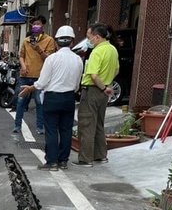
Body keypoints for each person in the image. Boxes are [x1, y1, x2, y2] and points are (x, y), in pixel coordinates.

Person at [19, 26, 83, 171]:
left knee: (52, 130)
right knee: (66, 130)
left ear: (56, 42)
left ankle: (52, 162)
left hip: (52, 98)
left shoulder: (52, 59)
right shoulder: (78, 60)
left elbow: (42, 82)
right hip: (69, 98)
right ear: (72, 42)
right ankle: (63, 161)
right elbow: (77, 83)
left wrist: (31, 88)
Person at [73, 23, 119, 167]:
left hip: (93, 90)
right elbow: (117, 69)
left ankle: (86, 159)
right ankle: (100, 155)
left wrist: (103, 86)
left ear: (97, 37)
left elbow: (93, 75)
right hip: (104, 93)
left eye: (89, 37)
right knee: (99, 123)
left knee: (86, 124)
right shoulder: (112, 49)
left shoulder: (97, 52)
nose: (88, 40)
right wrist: (108, 85)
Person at [13, 15, 56, 135]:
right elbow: (21, 56)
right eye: (33, 24)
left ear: (43, 25)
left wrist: (39, 49)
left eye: (38, 23)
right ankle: (17, 125)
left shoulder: (49, 40)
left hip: (40, 77)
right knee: (21, 101)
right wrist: (23, 66)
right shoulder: (26, 40)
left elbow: (50, 59)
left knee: (39, 102)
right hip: (25, 76)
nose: (35, 26)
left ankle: (40, 126)